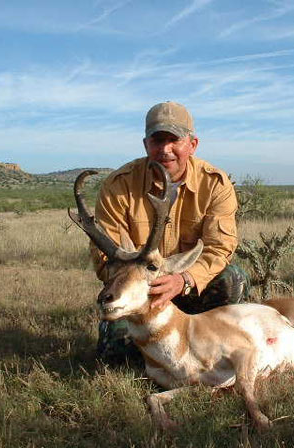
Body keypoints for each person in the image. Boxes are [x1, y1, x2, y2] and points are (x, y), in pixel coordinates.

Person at [91, 101, 249, 364]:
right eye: (157, 140)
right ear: (145, 145)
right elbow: (104, 256)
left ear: (192, 144)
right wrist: (141, 284)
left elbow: (219, 248)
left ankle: (224, 345)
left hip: (192, 289)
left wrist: (184, 279)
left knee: (232, 279)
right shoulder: (118, 186)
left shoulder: (215, 185)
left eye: (173, 140)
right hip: (141, 294)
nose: (165, 150)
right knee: (117, 360)